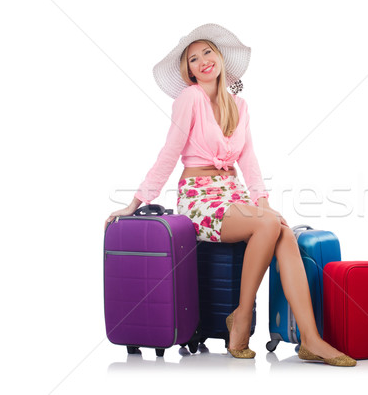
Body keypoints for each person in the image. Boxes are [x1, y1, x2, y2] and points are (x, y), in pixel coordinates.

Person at [105, 23, 355, 366]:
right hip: (199, 196)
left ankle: (310, 338)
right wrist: (136, 202)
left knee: (280, 229)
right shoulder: (189, 99)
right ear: (189, 72)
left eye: (207, 52)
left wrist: (264, 204)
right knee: (269, 226)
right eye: (193, 59)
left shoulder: (240, 105)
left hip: (232, 193)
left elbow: (249, 159)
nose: (203, 61)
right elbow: (170, 151)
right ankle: (241, 318)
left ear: (220, 58)